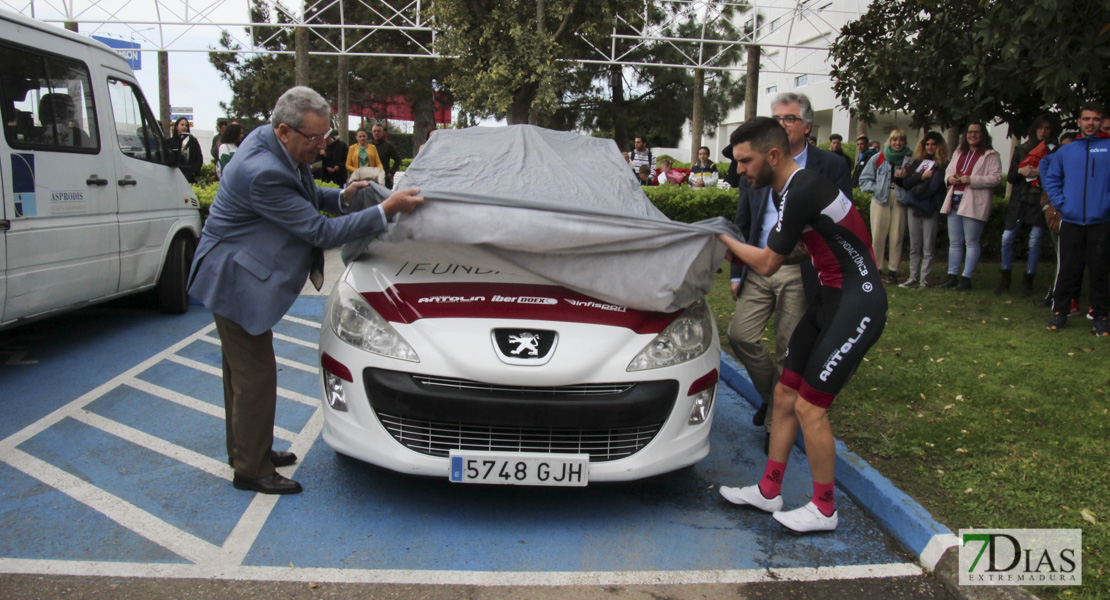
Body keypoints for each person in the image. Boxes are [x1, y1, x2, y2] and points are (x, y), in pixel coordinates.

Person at [187, 86, 424, 495]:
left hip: (237, 271)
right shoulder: (263, 170)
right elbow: (320, 230)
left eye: (325, 136)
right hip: (234, 280)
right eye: (314, 139)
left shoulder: (273, 146)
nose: (322, 146)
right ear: (284, 131)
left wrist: (340, 195)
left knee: (240, 376)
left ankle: (248, 449)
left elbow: (305, 193)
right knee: (255, 377)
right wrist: (384, 211)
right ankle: (251, 469)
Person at [717, 116, 886, 533]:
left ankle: (824, 509)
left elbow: (769, 263)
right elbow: (802, 249)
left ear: (773, 155)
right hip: (830, 296)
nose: (740, 171)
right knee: (785, 393)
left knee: (811, 406)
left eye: (745, 161)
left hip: (858, 302)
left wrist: (721, 238)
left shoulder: (802, 188)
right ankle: (770, 489)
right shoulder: (798, 188)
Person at [726, 92, 852, 443]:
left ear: (808, 127)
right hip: (759, 264)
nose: (781, 124)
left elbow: (841, 224)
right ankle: (773, 400)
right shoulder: (756, 163)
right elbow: (744, 218)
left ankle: (774, 429)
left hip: (801, 268)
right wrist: (737, 271)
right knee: (740, 335)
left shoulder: (830, 166)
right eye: (777, 118)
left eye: (789, 119)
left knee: (787, 347)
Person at [1042, 102, 1110, 335]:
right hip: (1071, 221)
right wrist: (1062, 204)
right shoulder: (1067, 151)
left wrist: (1105, 206)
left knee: (1100, 271)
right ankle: (1060, 313)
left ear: (1102, 122)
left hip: (1100, 222)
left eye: (1096, 119)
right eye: (1087, 118)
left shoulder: (1108, 148)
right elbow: (1051, 178)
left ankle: (1100, 316)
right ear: (1079, 122)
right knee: (1068, 270)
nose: (1091, 123)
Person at [995, 114, 1055, 296]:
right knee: (1007, 238)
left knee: (1035, 240)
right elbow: (1011, 176)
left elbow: (1058, 176)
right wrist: (1022, 170)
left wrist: (1042, 172)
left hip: (1039, 201)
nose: (1043, 132)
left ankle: (1029, 279)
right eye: (1040, 128)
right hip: (1020, 200)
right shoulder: (1022, 149)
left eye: (1047, 128)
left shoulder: (1053, 151)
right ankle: (1005, 276)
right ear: (1034, 129)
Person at [939, 123, 1002, 291]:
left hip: (974, 201)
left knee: (971, 242)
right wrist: (950, 178)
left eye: (976, 132)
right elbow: (949, 171)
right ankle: (952, 276)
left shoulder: (990, 155)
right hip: (955, 200)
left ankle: (966, 278)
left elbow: (996, 178)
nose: (972, 135)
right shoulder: (959, 152)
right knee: (954, 242)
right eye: (969, 132)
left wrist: (972, 180)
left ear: (983, 135)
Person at [859, 129, 913, 283]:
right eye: (894, 140)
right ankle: (876, 268)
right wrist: (877, 189)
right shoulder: (879, 157)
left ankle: (893, 270)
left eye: (901, 140)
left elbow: (915, 181)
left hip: (900, 198)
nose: (897, 143)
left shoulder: (909, 159)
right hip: (880, 199)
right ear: (890, 141)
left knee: (897, 235)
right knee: (878, 235)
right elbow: (864, 180)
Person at [898, 131, 950, 288]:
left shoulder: (943, 165)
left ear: (939, 146)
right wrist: (921, 177)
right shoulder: (918, 162)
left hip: (930, 208)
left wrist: (918, 189)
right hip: (914, 206)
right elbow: (907, 183)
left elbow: (935, 188)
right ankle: (913, 277)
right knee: (915, 245)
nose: (930, 147)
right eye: (927, 144)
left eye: (933, 144)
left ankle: (924, 279)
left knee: (928, 246)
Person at [1036, 131, 1077, 309]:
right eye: (1064, 147)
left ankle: (1070, 297)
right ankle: (1057, 297)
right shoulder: (1048, 161)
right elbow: (1049, 184)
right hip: (1059, 211)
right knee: (1062, 256)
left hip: (1079, 213)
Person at [168, 116, 204, 183]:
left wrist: (193, 172)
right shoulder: (169, 142)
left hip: (189, 176)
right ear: (176, 126)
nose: (184, 127)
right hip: (174, 175)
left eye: (186, 125)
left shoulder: (193, 141)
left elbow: (199, 158)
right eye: (182, 125)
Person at [371, 123, 401, 188]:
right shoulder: (367, 145)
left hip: (384, 178)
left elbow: (398, 159)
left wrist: (392, 173)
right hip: (370, 178)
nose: (376, 133)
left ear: (383, 133)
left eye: (379, 131)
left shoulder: (388, 145)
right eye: (374, 131)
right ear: (372, 132)